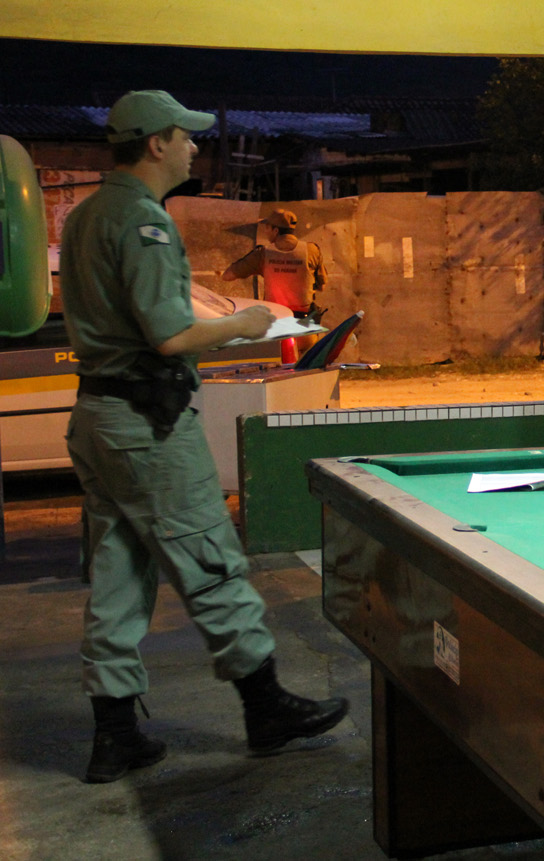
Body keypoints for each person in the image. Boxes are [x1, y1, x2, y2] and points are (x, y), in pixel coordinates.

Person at [60, 90, 349, 784]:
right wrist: (243, 324)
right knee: (210, 558)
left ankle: (115, 733)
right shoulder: (142, 220)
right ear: (155, 143)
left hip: (98, 416)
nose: (195, 147)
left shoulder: (86, 214)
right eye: (185, 136)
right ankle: (265, 707)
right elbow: (170, 335)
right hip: (149, 424)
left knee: (117, 571)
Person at [222, 208, 327, 360]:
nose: (265, 231)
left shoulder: (263, 254)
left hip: (276, 330)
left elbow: (227, 276)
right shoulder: (312, 250)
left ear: (275, 230)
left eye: (267, 227)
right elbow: (322, 285)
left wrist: (261, 268)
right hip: (305, 329)